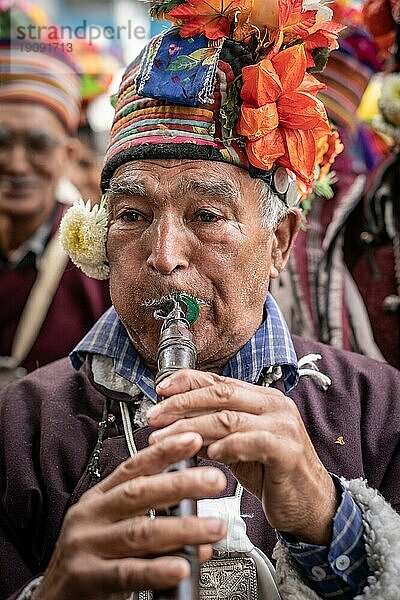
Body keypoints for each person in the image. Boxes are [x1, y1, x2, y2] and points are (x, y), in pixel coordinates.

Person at [1, 2, 400, 600]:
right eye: (132, 216)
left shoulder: (380, 410)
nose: (164, 255)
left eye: (207, 215)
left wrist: (328, 519)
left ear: (278, 243)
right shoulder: (20, 428)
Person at [0, 28, 111, 386]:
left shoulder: (100, 263)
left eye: (38, 145)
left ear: (67, 156)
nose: (17, 165)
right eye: (1, 143)